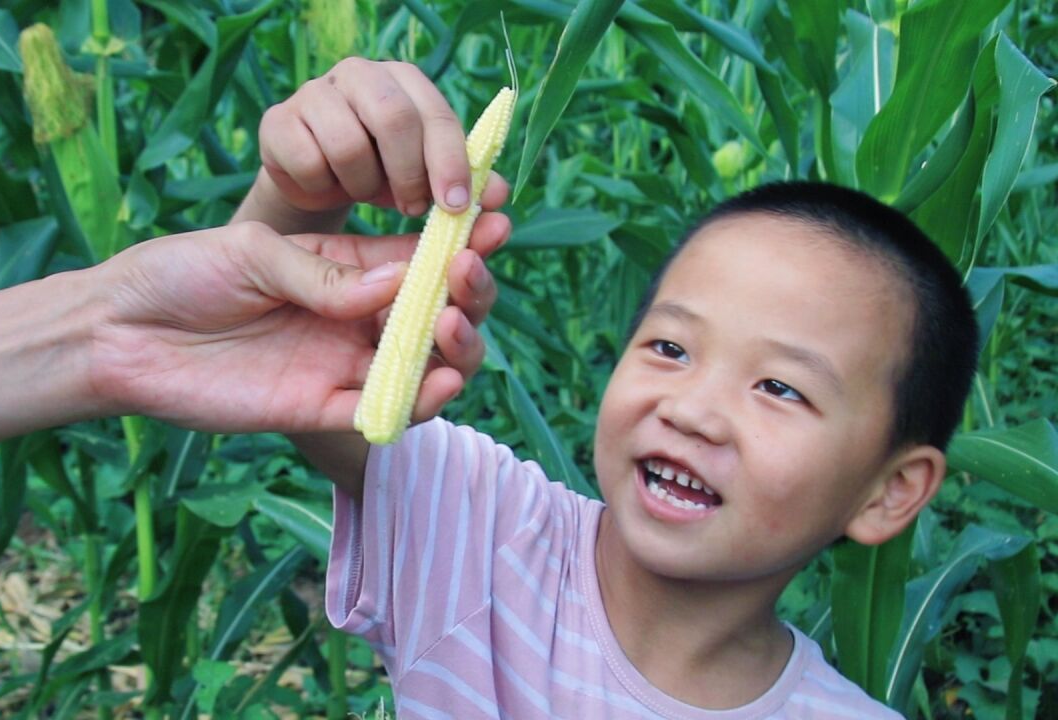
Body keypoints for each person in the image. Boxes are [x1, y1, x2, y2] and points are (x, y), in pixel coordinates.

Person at [249, 59, 979, 717]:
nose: (691, 411)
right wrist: (303, 191)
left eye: (781, 389)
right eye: (669, 347)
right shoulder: (483, 536)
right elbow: (286, 354)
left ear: (891, 491)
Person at [0, 169, 510, 510]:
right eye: (635, 348)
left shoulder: (512, 552)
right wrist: (290, 198)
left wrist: (103, 339)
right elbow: (404, 493)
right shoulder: (515, 544)